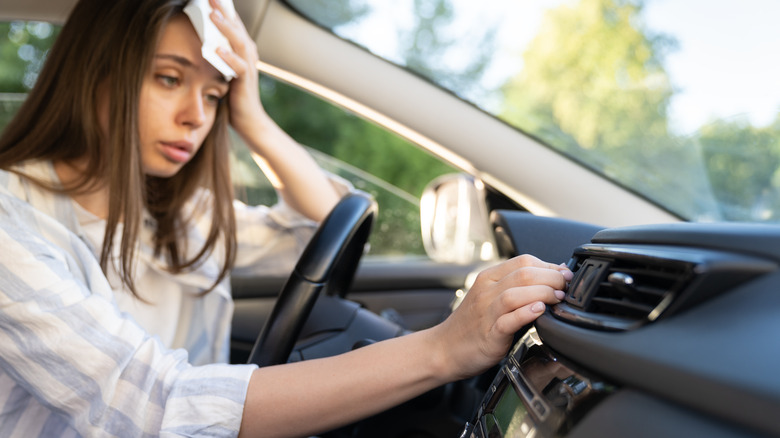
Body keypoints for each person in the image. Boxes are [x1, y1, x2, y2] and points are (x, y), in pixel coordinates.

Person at [0, 0, 573, 436]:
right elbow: (156, 401)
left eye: (213, 95)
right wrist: (443, 349)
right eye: (169, 79)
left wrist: (252, 115)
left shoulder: (178, 217)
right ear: (95, 74)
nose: (193, 117)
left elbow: (327, 226)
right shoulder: (11, 222)